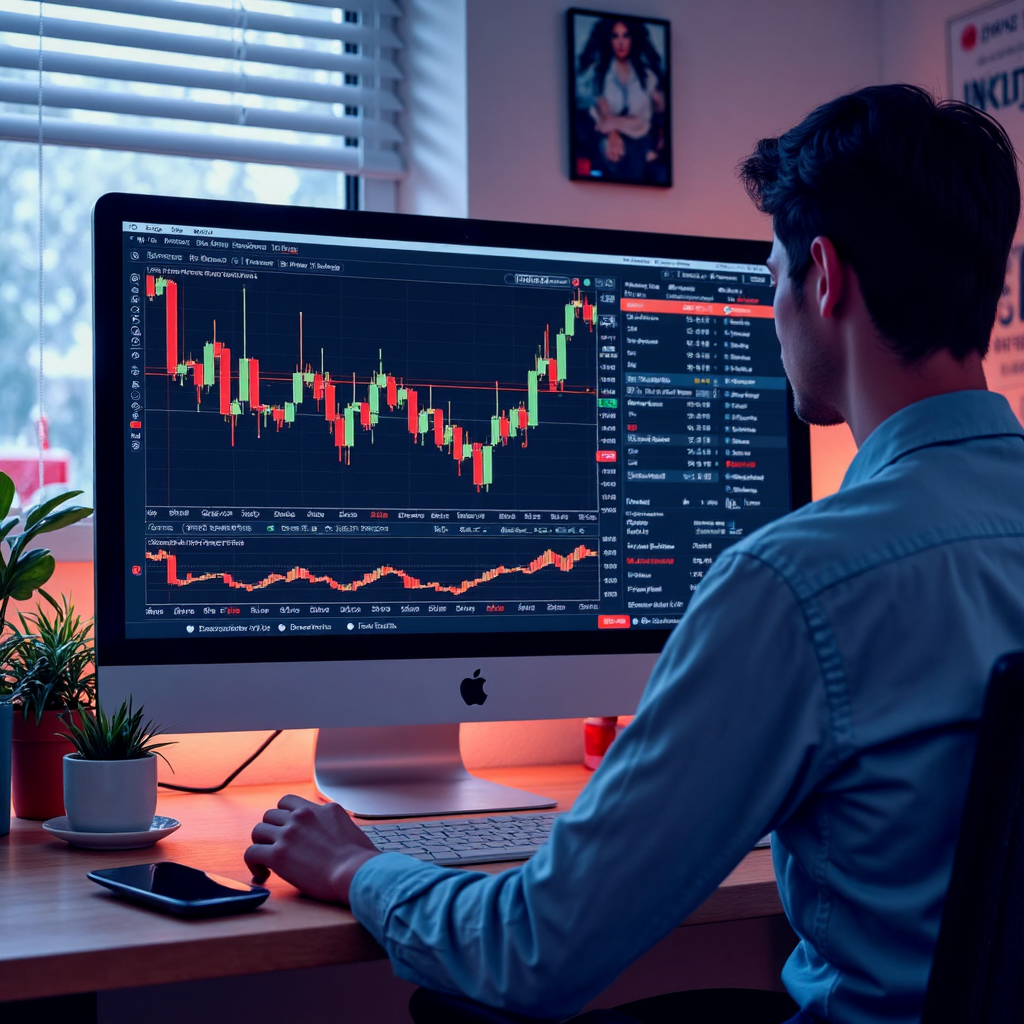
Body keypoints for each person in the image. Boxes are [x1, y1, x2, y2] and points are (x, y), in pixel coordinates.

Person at [245, 85, 1024, 1024]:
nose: (771, 310)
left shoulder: (797, 586)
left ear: (823, 277)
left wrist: (358, 866)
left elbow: (534, 951)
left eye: (771, 275)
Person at [573, 17, 667, 184]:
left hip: (641, 140)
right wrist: (613, 133)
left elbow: (640, 122)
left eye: (625, 36)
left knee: (635, 155)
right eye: (615, 36)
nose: (621, 42)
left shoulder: (647, 76)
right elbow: (600, 119)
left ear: (633, 39)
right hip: (605, 140)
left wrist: (612, 124)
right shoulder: (598, 74)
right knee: (612, 154)